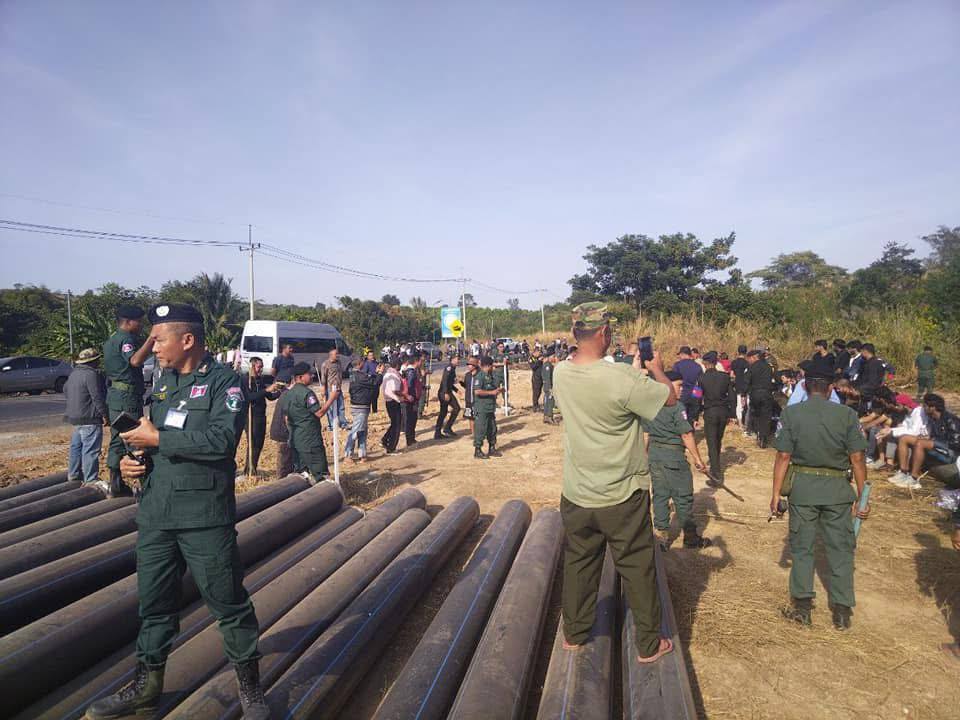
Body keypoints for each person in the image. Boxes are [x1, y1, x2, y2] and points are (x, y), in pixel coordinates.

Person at [87, 303, 268, 719]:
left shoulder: (226, 383)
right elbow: (153, 439)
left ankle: (250, 687)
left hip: (204, 515)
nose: (153, 349)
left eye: (160, 339)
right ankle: (146, 684)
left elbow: (222, 441)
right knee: (153, 604)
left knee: (228, 603)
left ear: (187, 340)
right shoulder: (164, 382)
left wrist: (159, 440)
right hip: (157, 513)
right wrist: (134, 461)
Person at [552, 303, 678, 664]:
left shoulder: (561, 373)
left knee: (579, 563)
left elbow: (603, 386)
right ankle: (650, 644)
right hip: (621, 496)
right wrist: (654, 370)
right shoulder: (624, 380)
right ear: (605, 333)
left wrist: (634, 374)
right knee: (637, 566)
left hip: (577, 495)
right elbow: (669, 398)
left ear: (576, 333)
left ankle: (574, 635)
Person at [771, 369, 869, 630]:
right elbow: (857, 458)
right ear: (830, 389)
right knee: (841, 549)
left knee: (803, 548)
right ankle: (842, 611)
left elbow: (782, 457)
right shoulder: (848, 415)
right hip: (837, 491)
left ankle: (803, 608)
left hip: (803, 490)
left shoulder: (791, 413)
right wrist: (863, 497)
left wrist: (775, 494)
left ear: (804, 386)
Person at [643, 369, 712, 549]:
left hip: (655, 456)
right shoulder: (676, 407)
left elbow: (646, 433)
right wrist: (698, 459)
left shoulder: (650, 405)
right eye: (679, 385)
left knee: (660, 495)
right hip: (673, 457)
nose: (682, 389)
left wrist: (644, 455)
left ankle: (661, 537)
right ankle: (690, 536)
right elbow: (687, 435)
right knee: (683, 497)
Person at [103, 304, 155, 497]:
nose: (140, 325)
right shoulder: (126, 339)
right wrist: (151, 339)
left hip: (116, 396)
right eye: (138, 322)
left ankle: (115, 482)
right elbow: (134, 360)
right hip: (127, 397)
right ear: (128, 322)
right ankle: (145, 484)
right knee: (136, 438)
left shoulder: (111, 340)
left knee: (118, 439)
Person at [889, 394, 960, 489]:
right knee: (904, 438)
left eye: (925, 406)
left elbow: (956, 443)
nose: (923, 408)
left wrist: (932, 440)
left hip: (950, 452)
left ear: (932, 407)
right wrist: (928, 437)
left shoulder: (951, 419)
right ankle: (903, 471)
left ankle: (914, 478)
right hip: (937, 445)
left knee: (920, 443)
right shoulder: (932, 418)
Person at [283, 361, 335, 481]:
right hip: (310, 442)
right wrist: (332, 398)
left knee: (301, 476)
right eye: (309, 374)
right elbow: (319, 413)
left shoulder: (288, 394)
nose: (312, 376)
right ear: (300, 377)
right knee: (321, 475)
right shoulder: (307, 393)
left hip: (296, 441)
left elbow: (286, 418)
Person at [64, 348, 108, 486]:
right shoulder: (91, 375)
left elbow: (65, 390)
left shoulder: (74, 374)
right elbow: (97, 397)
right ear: (93, 361)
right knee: (90, 449)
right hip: (90, 418)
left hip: (75, 417)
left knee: (76, 447)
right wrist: (104, 414)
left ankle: (74, 474)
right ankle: (91, 479)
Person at [238, 357, 283, 476]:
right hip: (250, 416)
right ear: (252, 367)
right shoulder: (245, 380)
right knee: (252, 444)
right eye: (259, 367)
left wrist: (280, 391)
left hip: (261, 416)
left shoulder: (260, 380)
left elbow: (269, 396)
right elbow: (249, 397)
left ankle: (253, 468)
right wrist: (266, 390)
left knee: (259, 443)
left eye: (262, 367)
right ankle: (248, 471)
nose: (261, 370)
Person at [699, 351, 735, 484]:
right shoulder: (725, 377)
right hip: (723, 412)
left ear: (705, 363)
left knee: (711, 442)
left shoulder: (701, 378)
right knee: (718, 440)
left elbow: (697, 397)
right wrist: (732, 414)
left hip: (710, 412)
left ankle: (716, 474)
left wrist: (695, 414)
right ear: (715, 363)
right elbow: (732, 396)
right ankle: (716, 465)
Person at [345, 357, 379, 462]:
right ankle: (348, 454)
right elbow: (374, 382)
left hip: (358, 405)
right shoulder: (360, 376)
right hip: (361, 406)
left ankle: (362, 454)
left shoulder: (353, 375)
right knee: (356, 431)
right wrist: (380, 374)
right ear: (360, 364)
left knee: (362, 430)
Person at [472, 356, 502, 459]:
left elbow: (492, 388)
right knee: (480, 429)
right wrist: (491, 392)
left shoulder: (490, 376)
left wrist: (498, 390)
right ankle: (478, 450)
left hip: (490, 407)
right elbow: (477, 391)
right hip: (482, 408)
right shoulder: (479, 376)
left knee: (492, 428)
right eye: (492, 365)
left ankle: (492, 447)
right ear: (488, 365)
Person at [746, 349, 774, 448]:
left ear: (754, 357)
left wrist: (744, 394)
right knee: (766, 416)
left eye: (749, 359)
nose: (748, 361)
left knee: (756, 414)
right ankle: (764, 438)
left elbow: (747, 380)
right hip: (767, 393)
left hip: (756, 393)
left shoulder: (752, 367)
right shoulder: (768, 366)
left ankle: (758, 433)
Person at [320, 348, 349, 433]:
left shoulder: (339, 362)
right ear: (331, 355)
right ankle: (332, 425)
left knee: (341, 407)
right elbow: (323, 378)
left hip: (338, 388)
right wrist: (323, 389)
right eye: (336, 354)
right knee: (330, 408)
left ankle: (343, 423)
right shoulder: (325, 364)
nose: (338, 355)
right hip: (330, 389)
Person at [673, 346, 703, 426]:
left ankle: (683, 435)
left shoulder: (677, 365)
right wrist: (698, 399)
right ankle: (691, 434)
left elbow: (675, 381)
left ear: (682, 354)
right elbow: (700, 384)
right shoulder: (698, 366)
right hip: (695, 394)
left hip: (682, 394)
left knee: (682, 418)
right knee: (692, 419)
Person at [380, 358, 405, 454]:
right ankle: (391, 448)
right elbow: (394, 390)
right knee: (397, 425)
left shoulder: (387, 374)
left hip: (389, 402)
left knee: (394, 423)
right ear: (397, 366)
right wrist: (402, 396)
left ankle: (385, 439)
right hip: (394, 401)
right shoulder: (393, 375)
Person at [435, 355, 461, 439]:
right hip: (444, 393)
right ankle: (445, 429)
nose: (458, 361)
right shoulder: (449, 368)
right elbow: (445, 380)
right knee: (455, 408)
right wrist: (446, 393)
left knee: (445, 412)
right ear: (452, 360)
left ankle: (442, 431)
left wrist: (456, 390)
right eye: (457, 359)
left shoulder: (453, 368)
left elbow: (450, 382)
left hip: (447, 392)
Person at [401, 352, 423, 447]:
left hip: (412, 399)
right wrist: (410, 396)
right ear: (417, 362)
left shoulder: (410, 371)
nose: (421, 363)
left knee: (411, 419)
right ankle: (410, 440)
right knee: (411, 420)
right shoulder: (411, 372)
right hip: (411, 400)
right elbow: (409, 386)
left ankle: (411, 439)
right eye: (421, 361)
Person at [730, 344, 750, 430]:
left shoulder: (734, 362)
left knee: (738, 405)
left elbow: (731, 375)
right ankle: (747, 423)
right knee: (747, 404)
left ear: (738, 352)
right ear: (746, 352)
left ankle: (740, 423)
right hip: (746, 386)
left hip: (737, 385)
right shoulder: (747, 363)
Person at [460, 356, 480, 435]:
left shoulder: (480, 374)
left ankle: (480, 433)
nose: (469, 366)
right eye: (468, 364)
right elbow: (467, 386)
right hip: (468, 399)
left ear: (475, 365)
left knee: (478, 417)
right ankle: (473, 433)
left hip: (477, 400)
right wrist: (461, 383)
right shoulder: (467, 375)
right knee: (470, 417)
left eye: (471, 365)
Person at [542, 347, 557, 424]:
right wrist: (550, 388)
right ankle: (549, 416)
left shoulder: (547, 364)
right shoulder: (548, 366)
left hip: (547, 386)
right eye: (553, 356)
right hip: (548, 386)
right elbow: (547, 378)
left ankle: (546, 416)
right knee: (550, 401)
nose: (554, 358)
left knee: (547, 401)